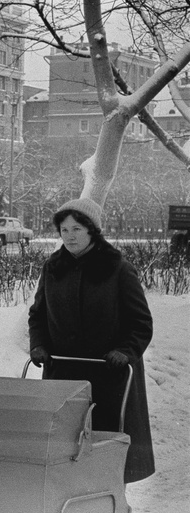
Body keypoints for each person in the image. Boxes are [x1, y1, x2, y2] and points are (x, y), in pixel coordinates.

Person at [28, 197, 155, 483]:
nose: (70, 236)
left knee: (104, 447)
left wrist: (126, 351)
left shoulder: (118, 268)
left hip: (108, 375)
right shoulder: (53, 268)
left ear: (92, 231)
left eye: (77, 229)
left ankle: (110, 505)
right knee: (65, 449)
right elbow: (38, 315)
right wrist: (38, 345)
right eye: (64, 230)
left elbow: (141, 323)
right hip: (64, 375)